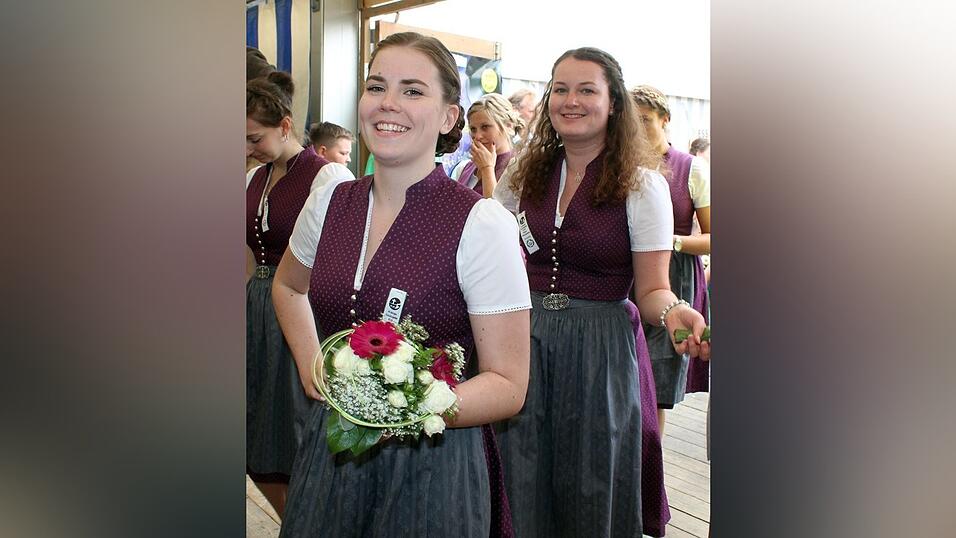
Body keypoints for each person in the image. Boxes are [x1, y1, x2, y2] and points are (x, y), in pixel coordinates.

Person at [272, 31, 531, 537]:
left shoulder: (480, 223)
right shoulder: (329, 201)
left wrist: (412, 409)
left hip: (435, 472)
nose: (388, 103)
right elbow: (287, 287)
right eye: (376, 86)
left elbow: (508, 385)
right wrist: (312, 365)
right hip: (332, 454)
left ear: (449, 117)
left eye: (413, 90)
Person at [493, 47, 710, 538]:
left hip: (601, 349)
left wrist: (676, 311)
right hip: (523, 342)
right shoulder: (525, 171)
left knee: (590, 483)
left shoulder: (640, 184)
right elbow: (488, 251)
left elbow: (653, 289)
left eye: (587, 90)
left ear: (614, 103)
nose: (571, 100)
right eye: (561, 89)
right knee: (520, 474)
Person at [245, 70, 354, 517]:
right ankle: (294, 521)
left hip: (299, 308)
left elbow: (335, 258)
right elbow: (248, 252)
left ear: (285, 126)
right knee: (254, 430)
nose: (246, 147)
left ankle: (308, 520)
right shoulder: (255, 176)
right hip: (255, 305)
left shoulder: (326, 177)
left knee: (292, 430)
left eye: (254, 137)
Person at [631, 84, 712, 433]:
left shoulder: (691, 169)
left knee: (656, 386)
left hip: (673, 278)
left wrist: (671, 241)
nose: (638, 129)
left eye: (645, 120)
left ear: (665, 120)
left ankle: (651, 462)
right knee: (628, 376)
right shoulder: (621, 166)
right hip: (628, 276)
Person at [450, 93, 525, 198]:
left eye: (485, 127)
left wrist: (487, 169)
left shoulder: (518, 170)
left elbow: (494, 212)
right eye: (473, 129)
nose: (477, 136)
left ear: (509, 126)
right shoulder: (463, 168)